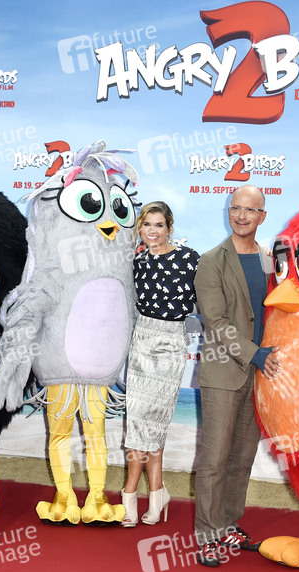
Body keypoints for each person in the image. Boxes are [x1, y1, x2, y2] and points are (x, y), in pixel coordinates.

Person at [193, 185, 281, 567]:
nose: (241, 216)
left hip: (259, 375)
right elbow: (215, 322)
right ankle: (208, 534)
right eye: (235, 208)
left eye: (250, 210)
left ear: (263, 216)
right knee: (214, 458)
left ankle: (227, 524)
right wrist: (255, 354)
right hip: (223, 372)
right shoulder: (211, 261)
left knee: (242, 456)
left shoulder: (268, 261)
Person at [121, 202, 199, 527]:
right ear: (140, 228)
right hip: (142, 338)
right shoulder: (136, 262)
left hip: (171, 342)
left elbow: (210, 297)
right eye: (146, 224)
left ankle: (131, 494)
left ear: (169, 228)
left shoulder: (190, 259)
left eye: (159, 225)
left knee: (154, 421)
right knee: (138, 420)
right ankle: (155, 493)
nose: (152, 231)